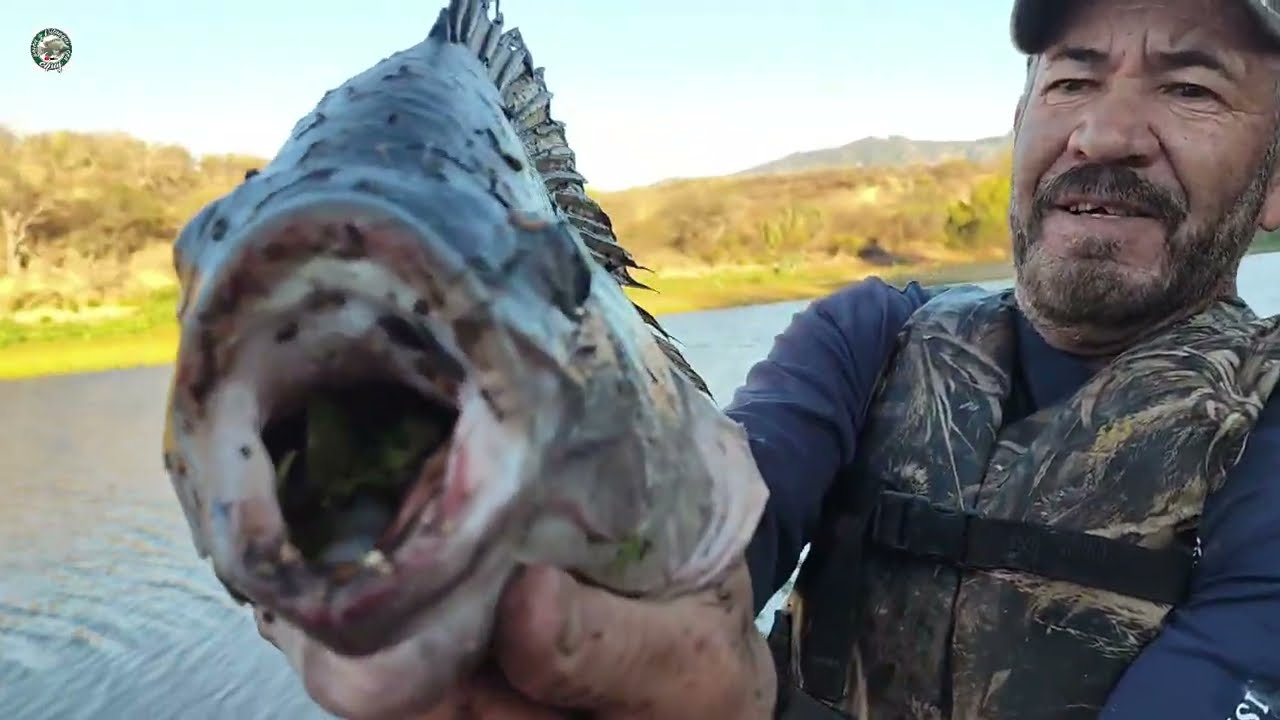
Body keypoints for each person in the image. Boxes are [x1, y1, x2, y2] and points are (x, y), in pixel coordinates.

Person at [262, 0, 1280, 717]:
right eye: (1068, 79)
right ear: (1018, 130)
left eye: (1188, 86)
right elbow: (695, 539)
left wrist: (749, 707)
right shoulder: (864, 337)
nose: (1102, 131)